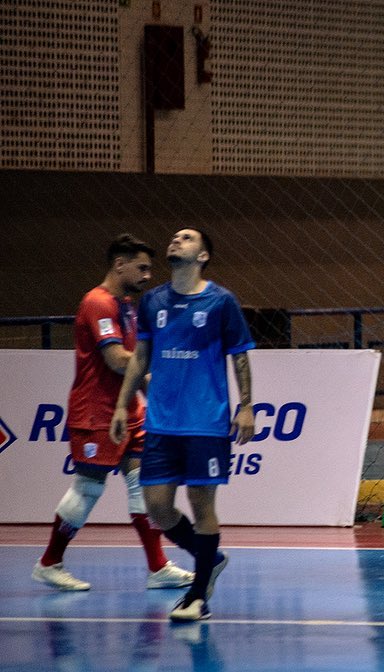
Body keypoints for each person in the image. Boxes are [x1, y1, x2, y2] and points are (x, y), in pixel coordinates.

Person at [32, 234, 194, 592]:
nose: (148, 275)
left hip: (129, 413)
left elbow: (134, 361)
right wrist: (155, 379)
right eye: (142, 267)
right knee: (88, 488)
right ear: (119, 264)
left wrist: (151, 391)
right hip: (96, 414)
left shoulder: (126, 305)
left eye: (150, 269)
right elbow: (118, 359)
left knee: (142, 486)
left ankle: (158, 567)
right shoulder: (97, 303)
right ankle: (49, 563)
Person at [111, 228, 256, 622]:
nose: (176, 241)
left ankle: (198, 596)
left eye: (187, 238)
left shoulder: (221, 301)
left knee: (201, 504)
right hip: (161, 423)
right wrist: (124, 406)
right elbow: (139, 358)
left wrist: (246, 406)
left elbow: (240, 356)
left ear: (203, 255)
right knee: (157, 507)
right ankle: (211, 558)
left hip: (205, 423)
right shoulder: (153, 299)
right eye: (175, 237)